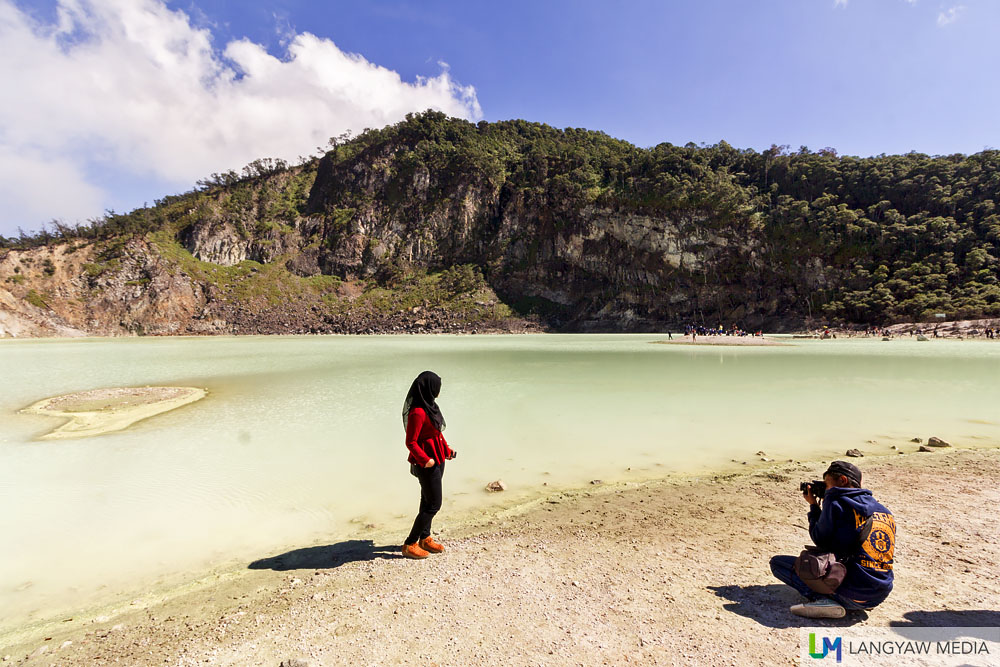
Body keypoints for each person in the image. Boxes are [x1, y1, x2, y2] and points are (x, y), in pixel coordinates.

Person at [769, 460, 895, 619]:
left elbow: (820, 540)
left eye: (827, 485)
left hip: (853, 593)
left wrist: (814, 507)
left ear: (843, 480)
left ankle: (823, 600)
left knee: (778, 564)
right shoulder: (884, 512)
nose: (827, 490)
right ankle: (859, 601)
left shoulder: (836, 499)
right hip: (879, 595)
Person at [401, 370, 456, 559]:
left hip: (438, 458)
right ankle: (410, 543)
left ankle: (425, 538)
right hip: (427, 463)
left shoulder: (431, 406)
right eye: (437, 387)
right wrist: (426, 460)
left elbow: (437, 434)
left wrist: (447, 450)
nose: (439, 390)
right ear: (428, 388)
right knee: (434, 504)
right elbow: (411, 442)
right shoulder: (417, 411)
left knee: (427, 500)